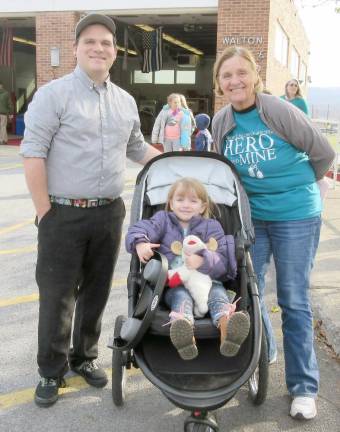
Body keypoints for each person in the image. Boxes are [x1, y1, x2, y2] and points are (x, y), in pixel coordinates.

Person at [20, 13, 161, 408]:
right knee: (58, 296)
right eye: (90, 41)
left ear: (115, 52)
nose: (99, 48)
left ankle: (84, 357)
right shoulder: (54, 95)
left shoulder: (125, 101)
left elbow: (137, 148)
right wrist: (45, 211)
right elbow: (33, 153)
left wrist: (175, 163)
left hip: (108, 214)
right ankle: (51, 370)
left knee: (96, 292)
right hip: (61, 214)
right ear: (76, 48)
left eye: (106, 43)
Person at [211, 46, 335, 420]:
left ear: (255, 74)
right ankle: (263, 354)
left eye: (241, 73)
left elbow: (324, 153)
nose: (235, 81)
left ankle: (303, 387)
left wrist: (297, 189)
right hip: (253, 219)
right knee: (248, 292)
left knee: (294, 300)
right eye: (227, 75)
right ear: (219, 82)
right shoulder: (221, 121)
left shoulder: (277, 110)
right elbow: (224, 172)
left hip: (296, 215)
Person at [126, 177, 250, 360]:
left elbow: (224, 261)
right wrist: (140, 242)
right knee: (180, 297)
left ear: (202, 206)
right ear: (171, 203)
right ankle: (184, 331)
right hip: (175, 283)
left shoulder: (211, 227)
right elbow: (142, 227)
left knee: (217, 295)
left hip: (209, 281)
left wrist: (203, 260)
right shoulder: (162, 221)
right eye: (180, 199)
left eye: (193, 201)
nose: (186, 205)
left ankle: (227, 328)